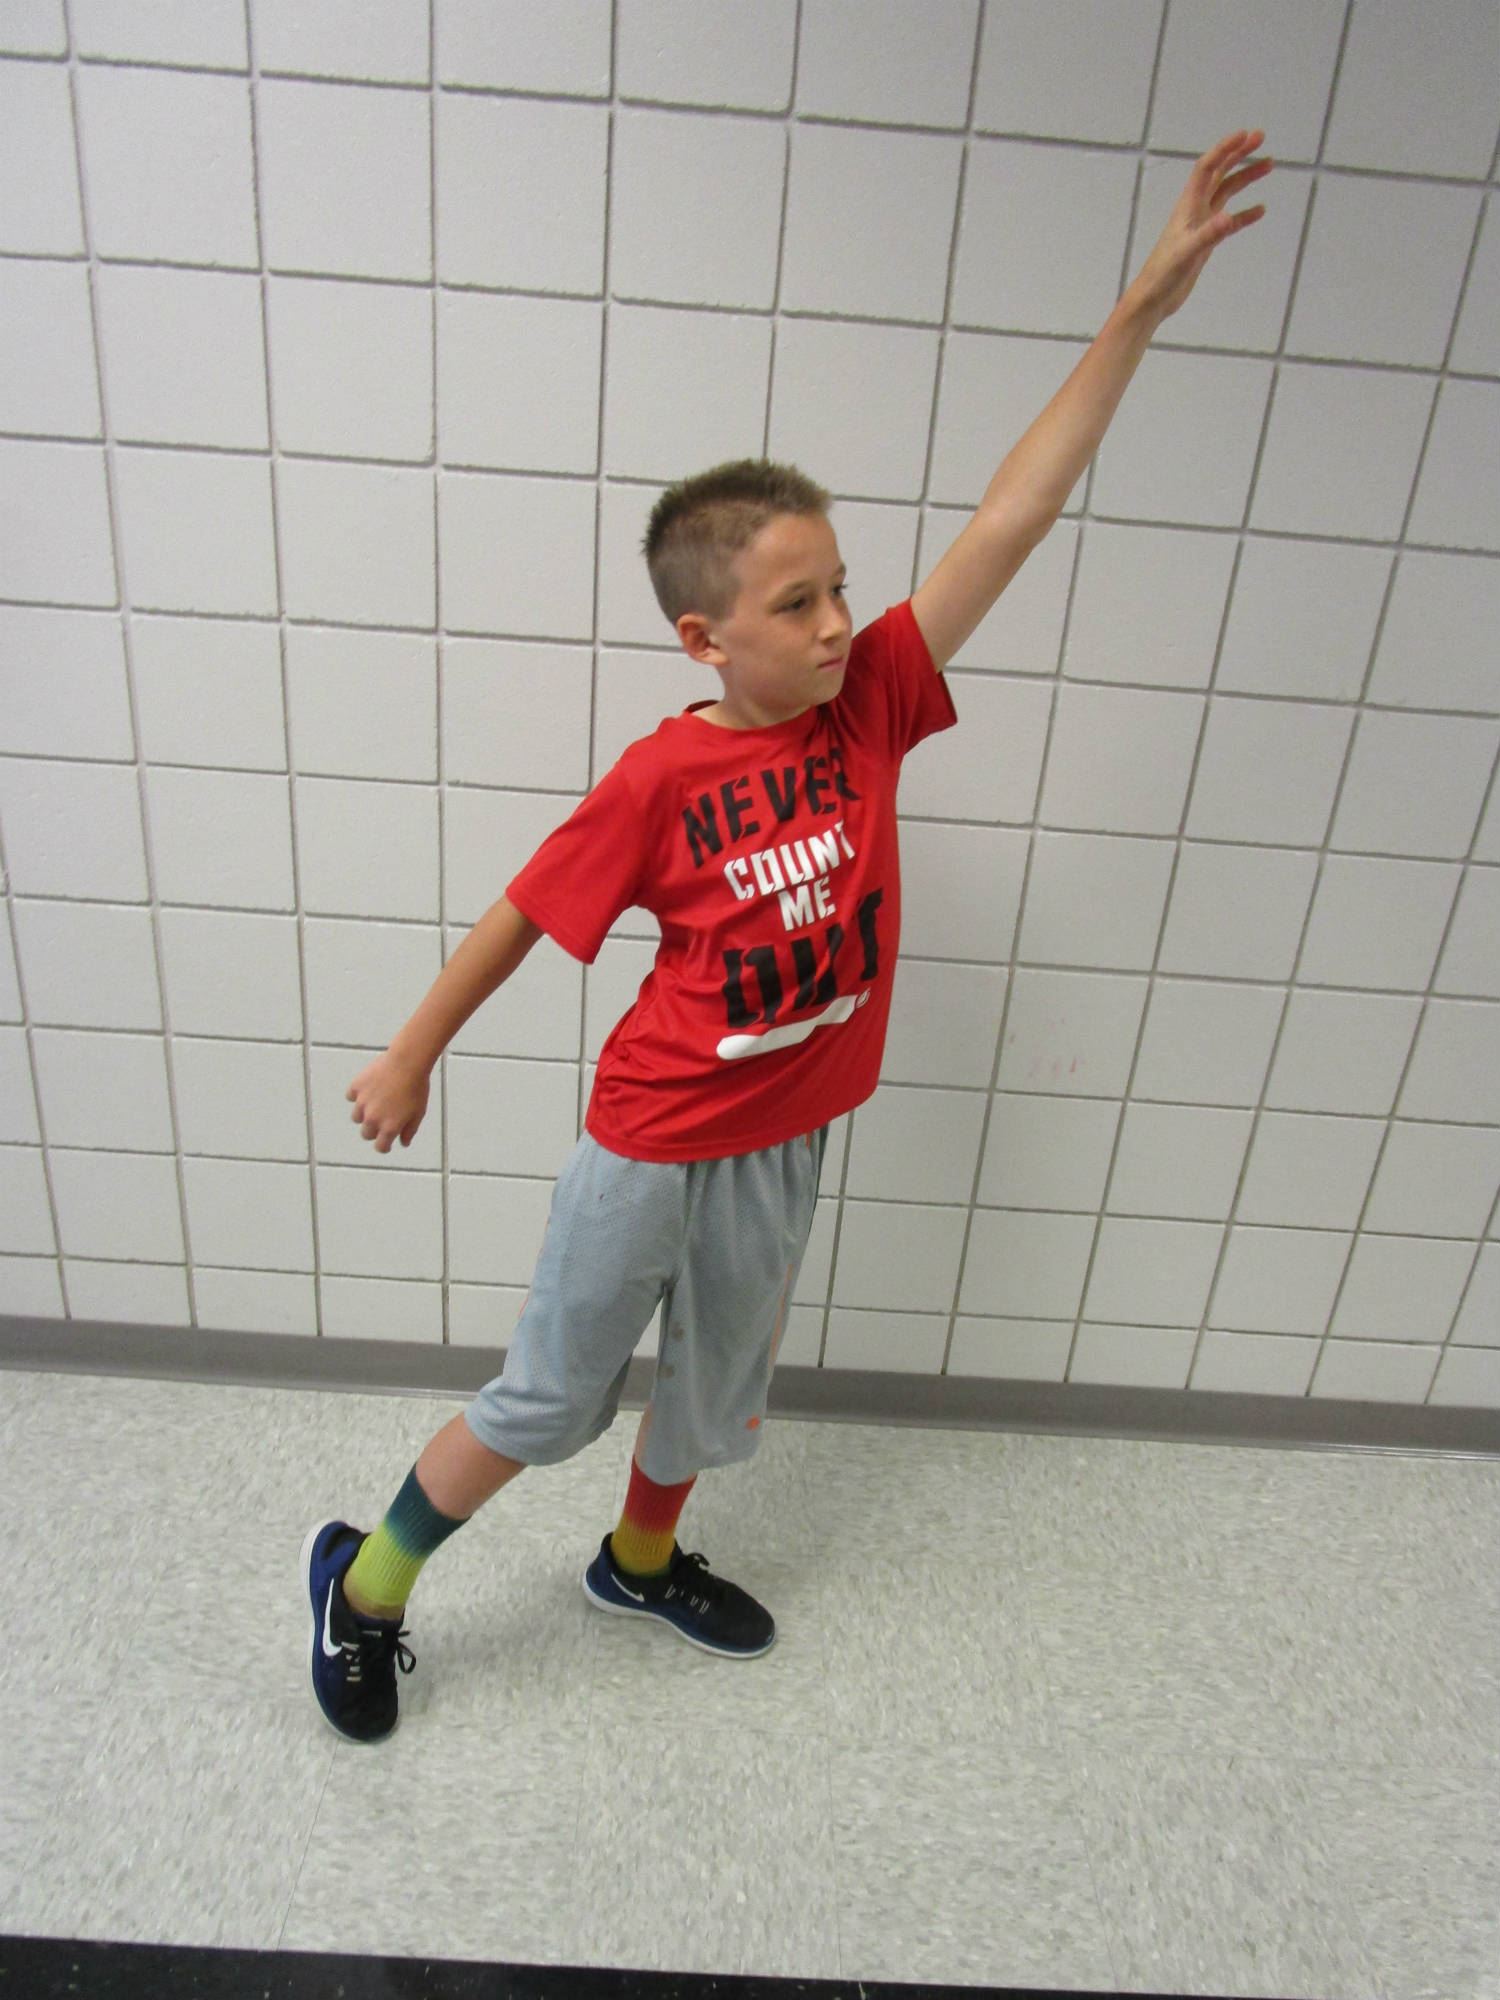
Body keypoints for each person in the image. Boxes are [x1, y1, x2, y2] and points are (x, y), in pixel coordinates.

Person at [304, 131, 1271, 1744]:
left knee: (714, 1389)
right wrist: (412, 1052)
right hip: (655, 1137)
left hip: (786, 1133)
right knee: (548, 1399)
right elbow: (525, 913)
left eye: (841, 591)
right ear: (707, 636)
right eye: (798, 604)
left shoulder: (871, 702)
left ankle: (637, 1561)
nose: (837, 624)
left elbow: (1014, 518)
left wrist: (1138, 313)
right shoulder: (660, 778)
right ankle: (366, 1583)